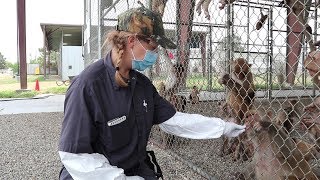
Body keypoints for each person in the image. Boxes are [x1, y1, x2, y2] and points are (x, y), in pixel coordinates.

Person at [58, 6, 246, 180]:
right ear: (132, 41)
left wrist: (221, 127)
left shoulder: (141, 85)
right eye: (153, 48)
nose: (154, 55)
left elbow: (174, 120)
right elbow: (74, 156)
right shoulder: (87, 86)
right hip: (95, 175)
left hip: (132, 168)